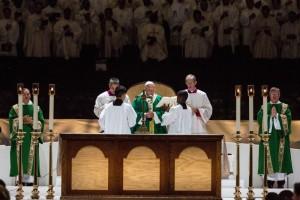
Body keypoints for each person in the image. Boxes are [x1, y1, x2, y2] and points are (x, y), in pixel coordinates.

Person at [257, 87, 293, 188]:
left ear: (279, 94)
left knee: (280, 163)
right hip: (267, 140)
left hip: (281, 139)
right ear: (269, 95)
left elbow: (288, 119)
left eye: (276, 93)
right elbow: (259, 119)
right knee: (269, 163)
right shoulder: (264, 107)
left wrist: (277, 116)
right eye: (272, 94)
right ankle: (269, 184)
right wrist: (270, 117)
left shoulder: (285, 107)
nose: (274, 95)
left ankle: (281, 184)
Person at [9, 88, 45, 186]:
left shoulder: (36, 108)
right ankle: (19, 180)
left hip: (31, 137)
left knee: (31, 157)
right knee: (19, 156)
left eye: (28, 94)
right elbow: (12, 121)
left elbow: (41, 122)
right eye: (24, 94)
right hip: (19, 138)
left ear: (30, 95)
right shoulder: (15, 108)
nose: (26, 96)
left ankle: (30, 181)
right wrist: (22, 119)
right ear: (20, 96)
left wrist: (32, 122)